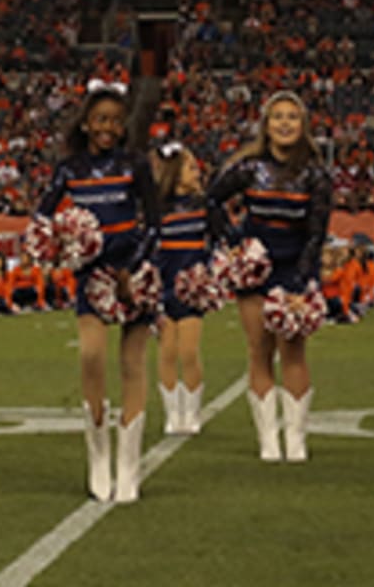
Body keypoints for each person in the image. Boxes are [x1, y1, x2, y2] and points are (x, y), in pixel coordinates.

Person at [34, 84, 159, 503]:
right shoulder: (70, 168)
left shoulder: (135, 164)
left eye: (115, 120)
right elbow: (43, 215)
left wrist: (133, 270)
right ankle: (98, 454)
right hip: (91, 273)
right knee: (90, 355)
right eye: (100, 119)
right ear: (87, 123)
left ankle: (129, 463)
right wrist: (55, 247)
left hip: (134, 271)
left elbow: (154, 222)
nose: (108, 127)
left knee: (133, 363)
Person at [207, 92, 331, 464]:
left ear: (303, 124)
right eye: (277, 116)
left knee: (294, 350)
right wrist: (232, 243)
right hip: (255, 267)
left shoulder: (316, 173)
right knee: (259, 349)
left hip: (294, 264)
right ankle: (268, 438)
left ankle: (295, 438)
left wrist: (302, 280)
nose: (285, 123)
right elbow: (211, 199)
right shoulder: (248, 168)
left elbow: (316, 232)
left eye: (292, 116)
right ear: (266, 125)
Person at [150, 142, 208, 436]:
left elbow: (222, 240)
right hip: (164, 289)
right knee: (167, 353)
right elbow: (149, 249)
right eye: (190, 166)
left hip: (192, 289)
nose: (196, 171)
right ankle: (173, 413)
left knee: (188, 351)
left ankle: (192, 411)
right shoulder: (159, 209)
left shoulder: (204, 206)